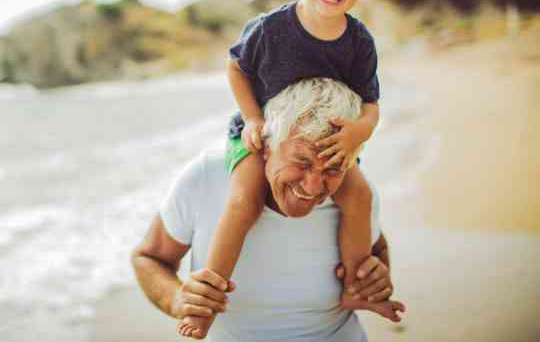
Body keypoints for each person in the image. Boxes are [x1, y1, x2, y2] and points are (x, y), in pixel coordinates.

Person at [179, 0, 386, 338]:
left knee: (360, 194)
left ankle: (353, 287)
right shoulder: (270, 29)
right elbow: (235, 70)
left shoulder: (360, 42)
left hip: (327, 143)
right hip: (262, 134)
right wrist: (253, 118)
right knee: (243, 201)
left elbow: (370, 105)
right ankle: (207, 302)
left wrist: (357, 134)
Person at [132, 78, 405, 342]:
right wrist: (177, 299)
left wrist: (375, 279)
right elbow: (149, 258)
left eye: (332, 168)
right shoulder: (206, 178)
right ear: (264, 145)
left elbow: (377, 247)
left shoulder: (354, 193)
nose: (312, 187)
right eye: (302, 162)